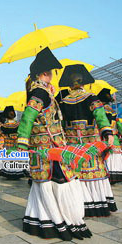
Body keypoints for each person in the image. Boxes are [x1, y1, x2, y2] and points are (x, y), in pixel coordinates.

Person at [17, 47, 92, 241]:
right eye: (46, 72)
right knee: (53, 183)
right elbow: (28, 117)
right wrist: (22, 142)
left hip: (52, 146)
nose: (49, 75)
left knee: (48, 184)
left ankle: (44, 220)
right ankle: (56, 221)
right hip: (46, 148)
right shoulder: (40, 93)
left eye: (50, 72)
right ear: (39, 75)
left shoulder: (45, 93)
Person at [59, 65, 117, 217]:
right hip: (91, 142)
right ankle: (98, 203)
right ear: (83, 82)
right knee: (94, 173)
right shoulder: (91, 97)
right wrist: (107, 132)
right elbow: (100, 117)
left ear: (69, 84)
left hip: (72, 145)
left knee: (77, 174)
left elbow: (61, 123)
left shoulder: (63, 102)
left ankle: (78, 205)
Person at [98, 88, 122, 184]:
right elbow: (119, 126)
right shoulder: (113, 112)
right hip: (115, 139)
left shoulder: (100, 111)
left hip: (103, 138)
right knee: (115, 160)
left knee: (107, 158)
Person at [0, 106, 27, 179]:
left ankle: (9, 172)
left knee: (9, 158)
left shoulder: (3, 126)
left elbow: (0, 134)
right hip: (16, 144)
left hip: (7, 144)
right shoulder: (18, 124)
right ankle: (16, 172)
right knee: (16, 158)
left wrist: (1, 143)